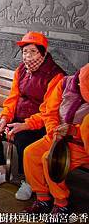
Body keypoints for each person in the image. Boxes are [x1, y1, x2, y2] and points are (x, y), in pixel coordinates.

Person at [0, 32, 65, 201]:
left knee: (22, 137)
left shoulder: (56, 75)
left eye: (33, 52)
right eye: (25, 51)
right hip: (18, 116)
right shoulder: (21, 70)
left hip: (40, 123)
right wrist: (5, 117)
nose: (28, 56)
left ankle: (28, 181)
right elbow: (13, 98)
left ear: (43, 52)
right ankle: (0, 170)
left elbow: (49, 112)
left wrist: (26, 125)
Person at [23, 63, 89, 214]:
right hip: (56, 136)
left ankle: (61, 203)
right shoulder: (64, 83)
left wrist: (72, 130)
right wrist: (54, 131)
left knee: (49, 159)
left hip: (80, 144)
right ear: (78, 81)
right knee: (30, 153)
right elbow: (50, 112)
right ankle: (43, 199)